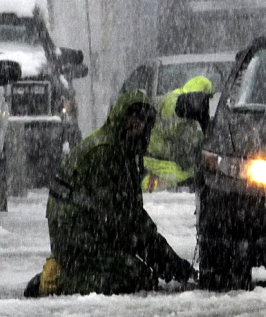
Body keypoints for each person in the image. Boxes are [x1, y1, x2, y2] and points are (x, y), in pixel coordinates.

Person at [24, 89, 194, 297]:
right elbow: (123, 221)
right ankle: (56, 280)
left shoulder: (123, 150)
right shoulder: (106, 153)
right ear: (122, 118)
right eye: (134, 119)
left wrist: (168, 262)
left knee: (138, 271)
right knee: (135, 277)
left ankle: (70, 269)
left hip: (88, 228)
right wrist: (165, 262)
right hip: (74, 235)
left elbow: (131, 215)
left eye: (144, 122)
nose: (138, 127)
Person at [142, 76, 213, 192]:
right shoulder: (173, 103)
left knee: (194, 175)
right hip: (157, 157)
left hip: (168, 156)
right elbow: (176, 132)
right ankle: (148, 186)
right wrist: (198, 139)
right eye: (205, 100)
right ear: (196, 98)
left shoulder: (188, 108)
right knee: (180, 179)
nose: (206, 104)